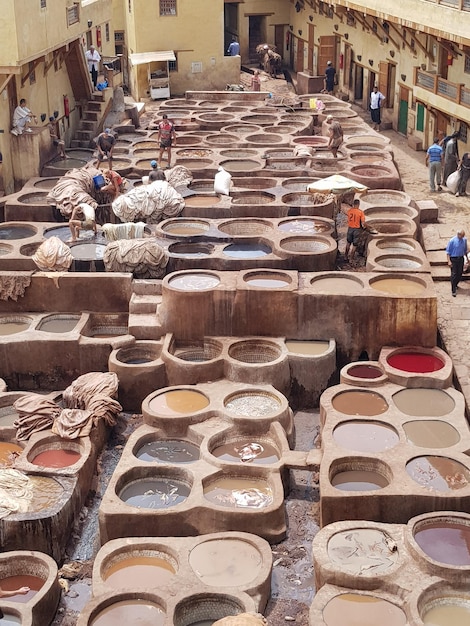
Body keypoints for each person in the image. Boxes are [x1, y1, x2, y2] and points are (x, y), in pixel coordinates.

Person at [446, 229, 468, 296]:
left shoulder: (464, 240)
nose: (462, 237)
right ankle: (453, 290)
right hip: (454, 259)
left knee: (460, 273)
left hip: (461, 258)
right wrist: (449, 261)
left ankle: (455, 284)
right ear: (458, 234)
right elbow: (448, 252)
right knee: (454, 274)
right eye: (462, 235)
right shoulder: (452, 241)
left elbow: (465, 250)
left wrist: (467, 258)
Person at [344, 199, 366, 264]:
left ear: (353, 204)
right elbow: (363, 223)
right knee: (354, 245)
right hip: (356, 230)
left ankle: (345, 256)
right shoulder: (361, 212)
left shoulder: (350, 211)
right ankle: (351, 258)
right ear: (358, 204)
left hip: (350, 228)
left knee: (348, 243)